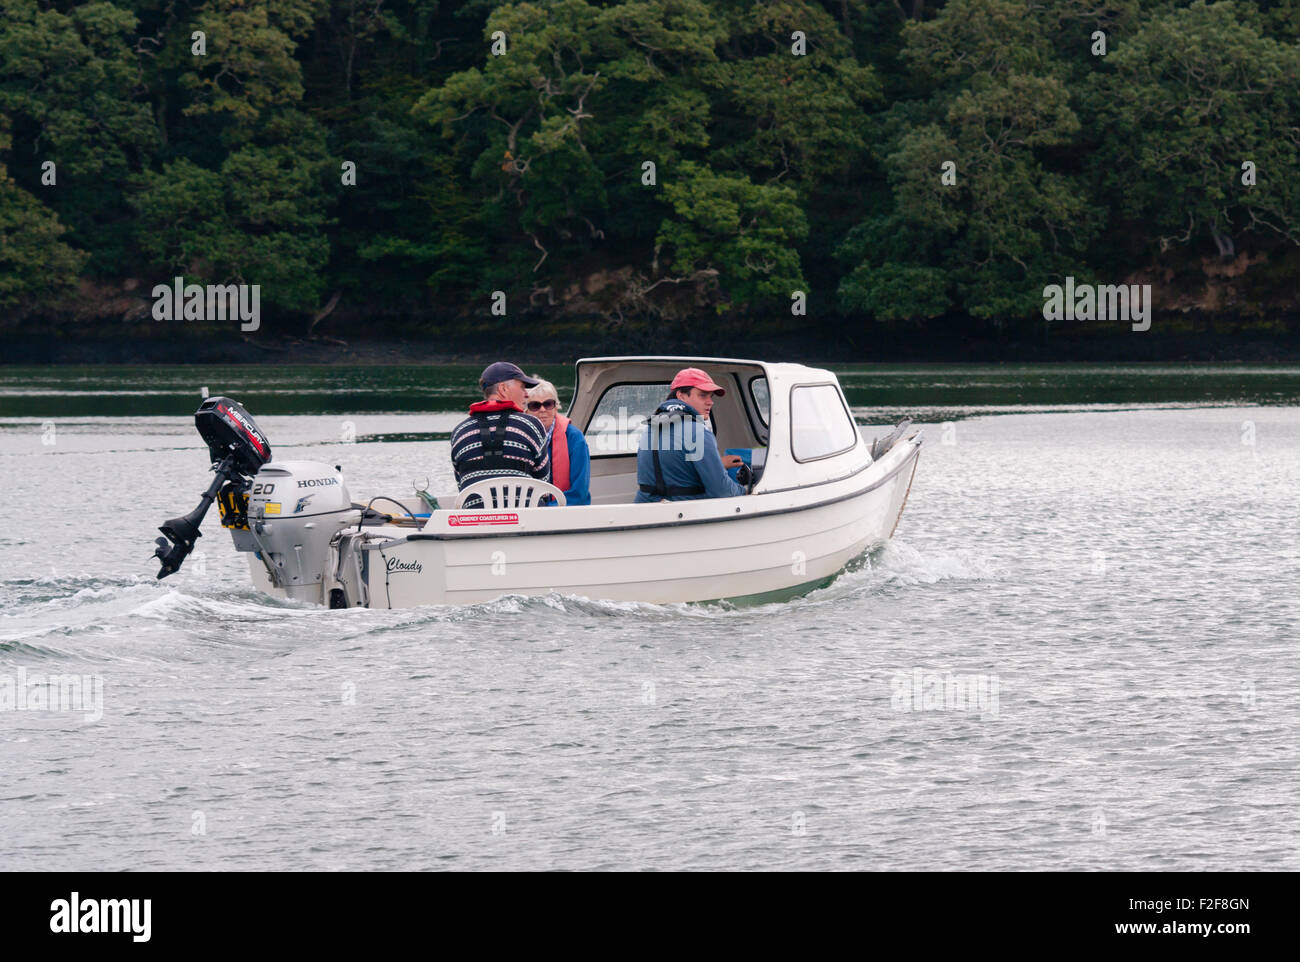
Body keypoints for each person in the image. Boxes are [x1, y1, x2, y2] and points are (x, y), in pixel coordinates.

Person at [634, 368, 753, 503]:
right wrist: (746, 491)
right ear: (681, 396)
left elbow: (673, 470)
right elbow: (722, 491)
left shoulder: (651, 427)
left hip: (645, 511)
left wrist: (718, 464)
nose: (710, 402)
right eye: (703, 395)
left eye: (711, 396)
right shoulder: (698, 432)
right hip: (684, 515)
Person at [450, 362, 550, 498]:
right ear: (503, 389)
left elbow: (462, 485)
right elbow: (543, 486)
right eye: (522, 387)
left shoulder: (459, 432)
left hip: (476, 517)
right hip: (524, 516)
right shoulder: (531, 426)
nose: (526, 394)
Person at [524, 378, 591, 506]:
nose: (542, 410)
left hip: (568, 513)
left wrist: (546, 510)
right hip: (530, 514)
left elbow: (579, 492)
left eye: (548, 404)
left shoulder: (575, 438)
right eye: (535, 405)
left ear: (556, 407)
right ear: (526, 410)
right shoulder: (520, 438)